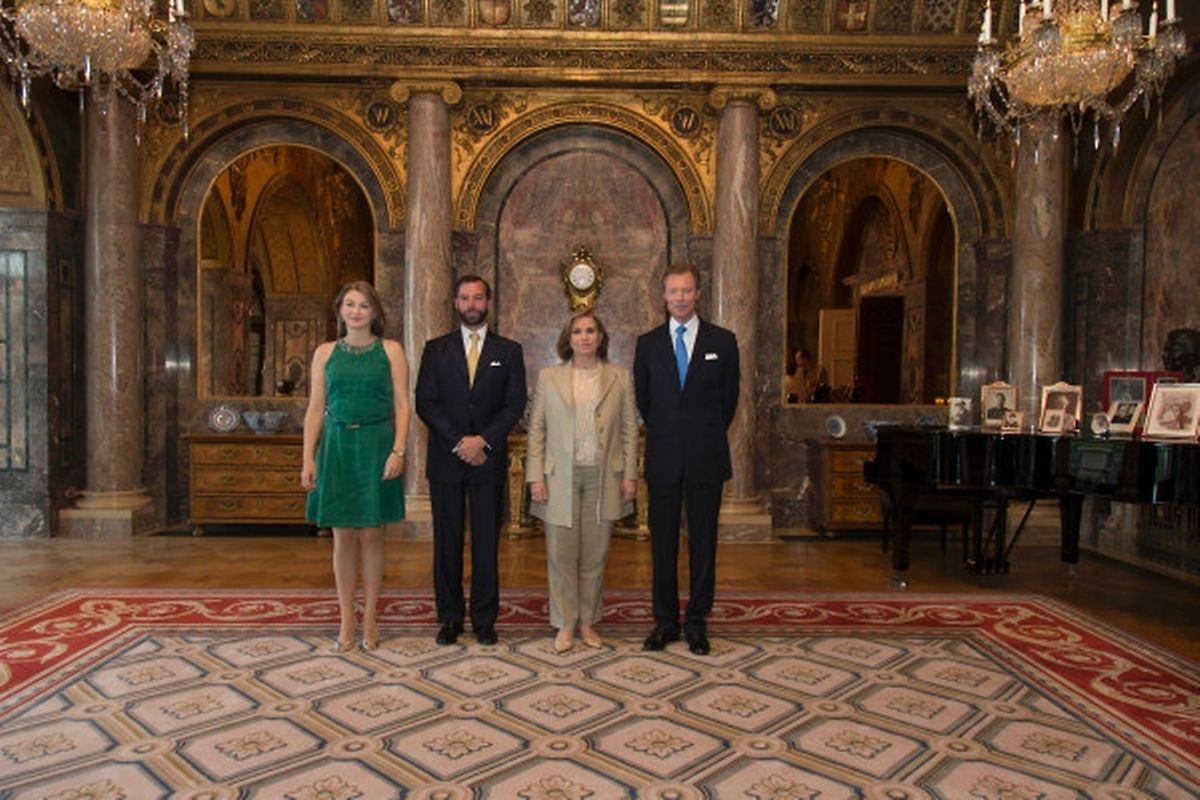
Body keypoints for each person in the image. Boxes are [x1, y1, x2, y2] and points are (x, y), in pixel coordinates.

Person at [633, 263, 739, 656]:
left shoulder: (723, 342)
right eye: (673, 291)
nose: (680, 297)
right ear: (663, 295)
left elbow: (729, 402)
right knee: (661, 544)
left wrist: (701, 434)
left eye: (687, 290)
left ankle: (696, 621)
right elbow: (644, 401)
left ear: (698, 294)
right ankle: (664, 621)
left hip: (706, 458)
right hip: (663, 458)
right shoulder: (647, 344)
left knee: (703, 542)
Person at [415, 275, 527, 646]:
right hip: (447, 459)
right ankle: (448, 618)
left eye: (478, 297)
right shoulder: (436, 350)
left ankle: (483, 619)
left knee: (485, 543)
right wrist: (459, 442)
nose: (472, 304)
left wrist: (484, 441)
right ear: (455, 303)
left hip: (487, 460)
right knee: (446, 542)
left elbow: (514, 404)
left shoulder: (509, 351)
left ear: (489, 303)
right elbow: (425, 402)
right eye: (465, 298)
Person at [301, 281, 410, 653]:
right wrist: (308, 458)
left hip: (378, 444)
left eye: (363, 305)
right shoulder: (325, 353)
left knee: (372, 534)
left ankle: (372, 618)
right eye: (349, 304)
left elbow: (402, 404)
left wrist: (398, 451)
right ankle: (347, 617)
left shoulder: (391, 350)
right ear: (340, 310)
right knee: (343, 535)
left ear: (375, 312)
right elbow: (315, 407)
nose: (356, 311)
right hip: (337, 445)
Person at [526, 310, 639, 653]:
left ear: (601, 337)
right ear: (568, 338)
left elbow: (631, 430)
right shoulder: (549, 377)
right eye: (578, 331)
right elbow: (537, 429)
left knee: (595, 554)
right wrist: (535, 477)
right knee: (561, 554)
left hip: (604, 477)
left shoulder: (619, 377)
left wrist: (630, 474)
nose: (585, 337)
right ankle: (564, 623)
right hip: (559, 477)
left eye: (591, 330)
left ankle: (587, 622)